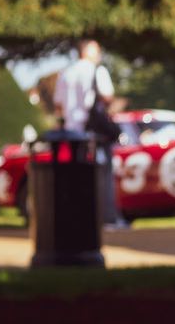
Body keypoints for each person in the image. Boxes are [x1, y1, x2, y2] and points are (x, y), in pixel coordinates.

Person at [53, 39, 126, 227]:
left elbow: (58, 105)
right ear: (87, 52)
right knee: (102, 175)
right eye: (97, 51)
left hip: (71, 134)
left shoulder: (66, 74)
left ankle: (77, 217)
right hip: (93, 133)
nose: (99, 54)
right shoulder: (97, 71)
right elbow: (107, 98)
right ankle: (106, 218)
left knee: (75, 176)